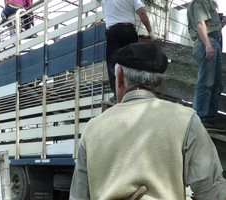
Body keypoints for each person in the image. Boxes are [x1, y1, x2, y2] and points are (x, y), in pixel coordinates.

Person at [69, 42, 226, 200]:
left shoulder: (92, 129)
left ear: (120, 78)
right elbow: (212, 191)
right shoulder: (186, 120)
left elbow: (78, 196)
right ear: (158, 82)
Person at [101, 0, 156, 103]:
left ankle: (117, 95)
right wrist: (150, 31)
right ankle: (134, 91)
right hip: (129, 31)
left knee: (113, 64)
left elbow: (108, 16)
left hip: (113, 32)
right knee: (132, 62)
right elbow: (142, 13)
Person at [187, 0, 226, 130]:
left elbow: (209, 25)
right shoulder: (200, 2)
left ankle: (209, 119)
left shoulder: (208, 3)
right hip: (207, 43)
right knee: (206, 83)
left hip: (213, 42)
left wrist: (221, 24)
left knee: (216, 84)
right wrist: (208, 44)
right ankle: (199, 119)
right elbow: (200, 23)